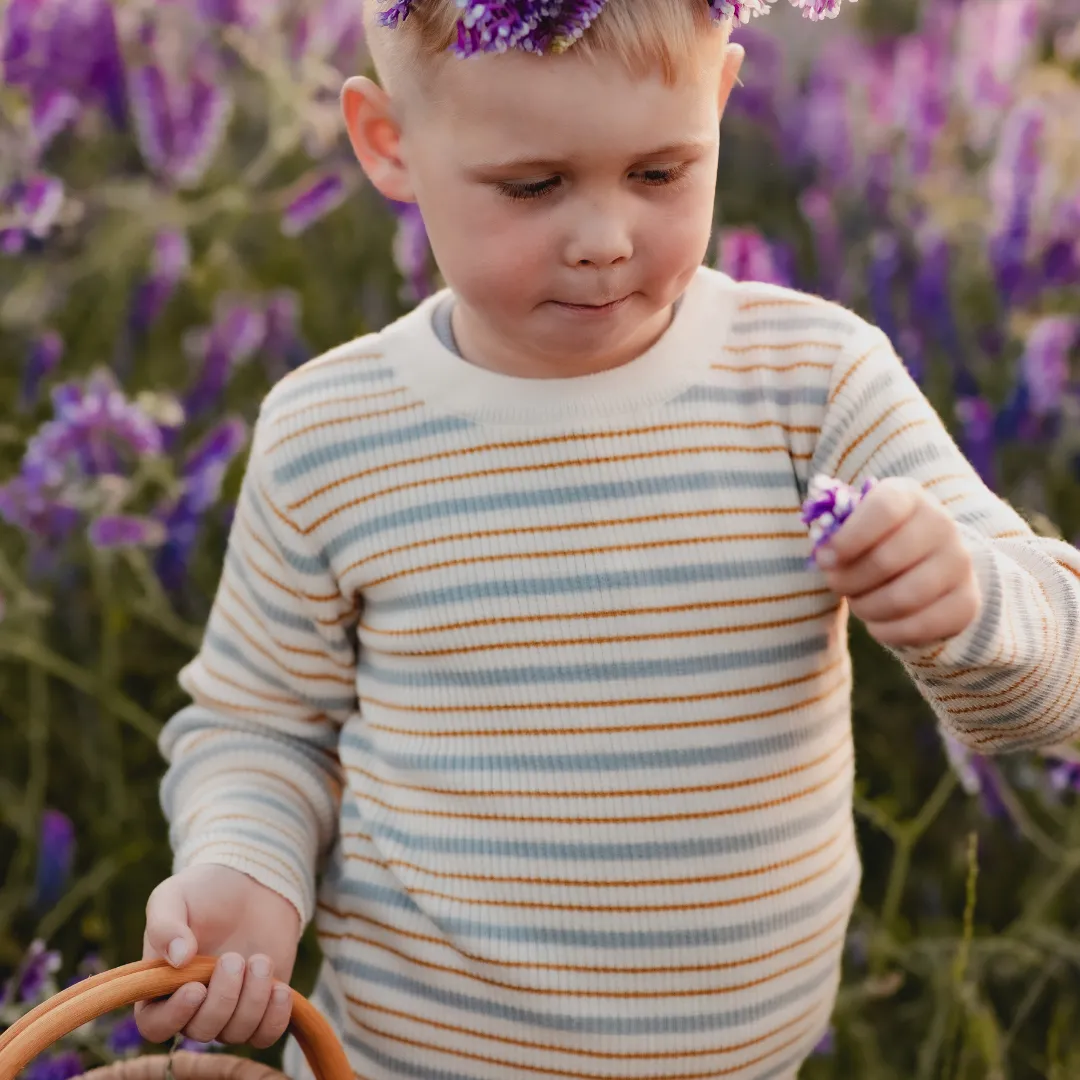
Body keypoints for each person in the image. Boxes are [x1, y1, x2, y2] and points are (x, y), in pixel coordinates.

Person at [133, 2, 1080, 1078]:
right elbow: (262, 726)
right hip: (407, 1059)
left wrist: (966, 605)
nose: (604, 239)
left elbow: (1056, 684)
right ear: (389, 143)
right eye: (533, 186)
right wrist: (246, 873)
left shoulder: (809, 384)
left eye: (661, 173)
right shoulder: (334, 434)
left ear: (721, 100)